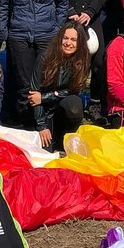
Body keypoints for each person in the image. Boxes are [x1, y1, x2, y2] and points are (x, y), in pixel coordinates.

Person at [0, 0, 70, 127]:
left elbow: (63, 4)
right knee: (23, 84)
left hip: (46, 36)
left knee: (43, 82)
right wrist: (4, 32)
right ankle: (24, 124)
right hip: (19, 37)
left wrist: (56, 29)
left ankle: (43, 124)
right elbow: (4, 5)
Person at [25, 22, 89, 151]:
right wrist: (41, 126)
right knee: (45, 152)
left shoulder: (82, 60)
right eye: (65, 38)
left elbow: (76, 90)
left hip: (62, 107)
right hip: (43, 112)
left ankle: (65, 137)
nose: (68, 43)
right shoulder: (44, 57)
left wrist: (46, 96)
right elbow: (34, 95)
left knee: (74, 105)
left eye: (73, 40)